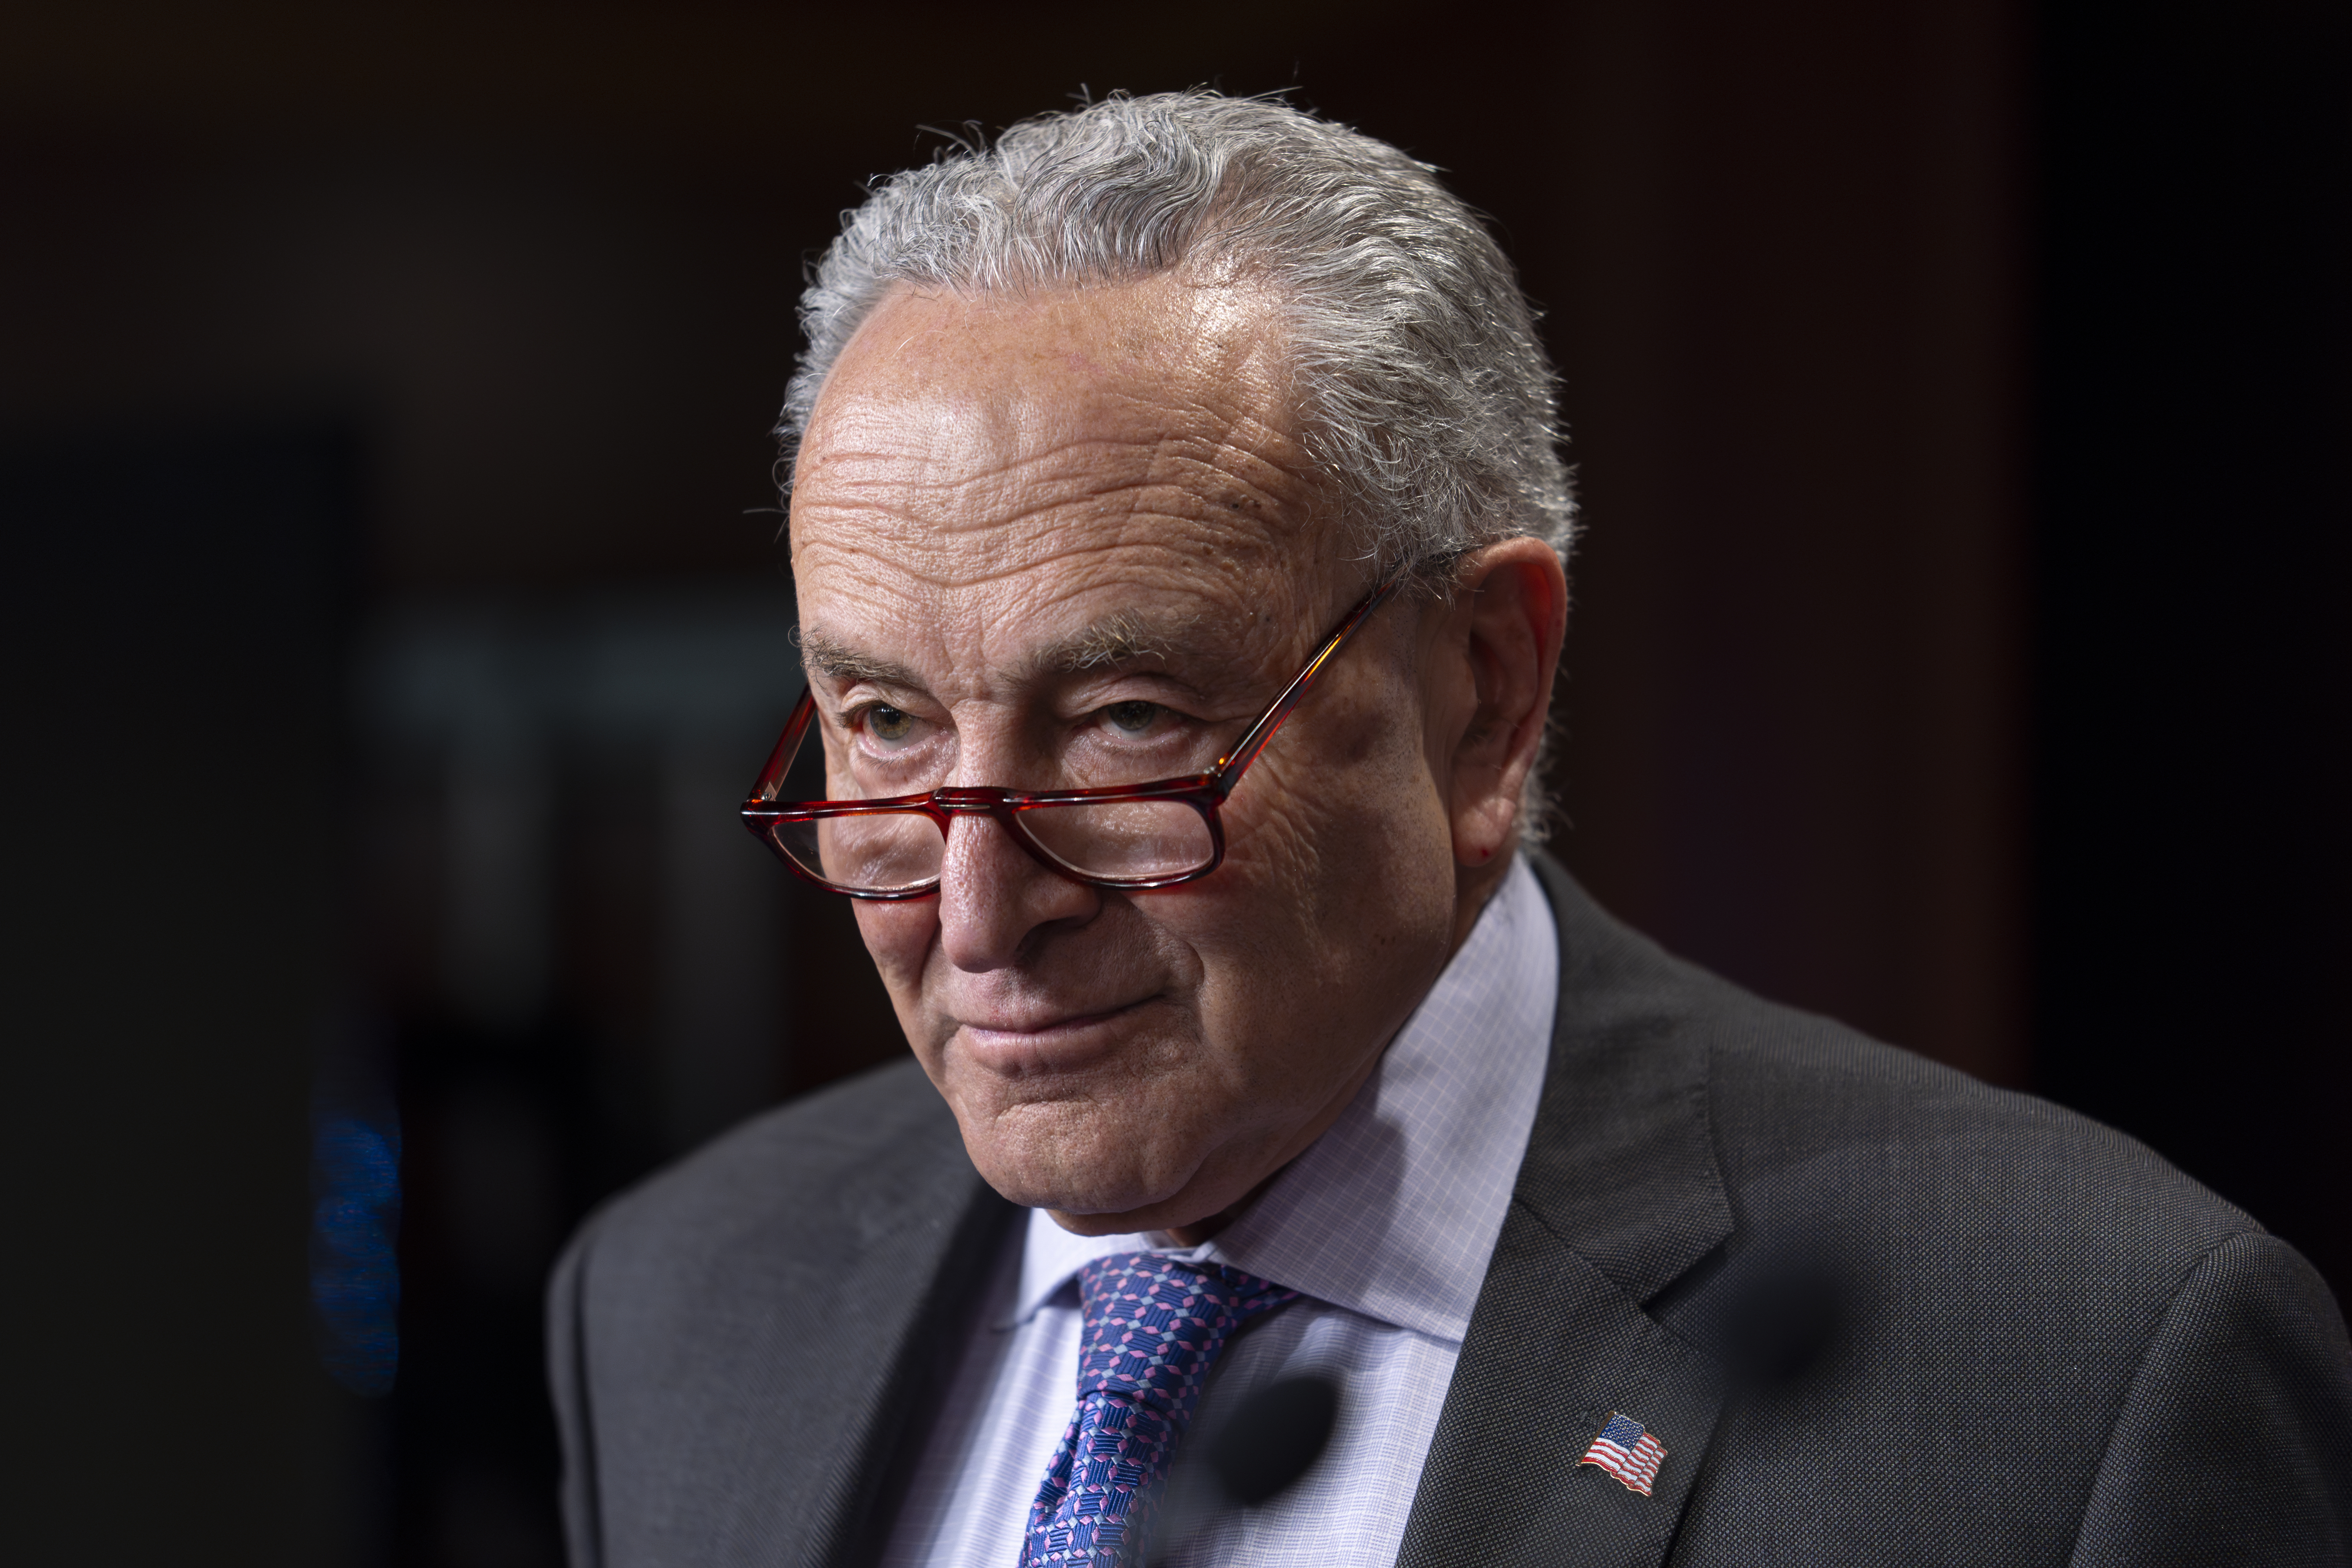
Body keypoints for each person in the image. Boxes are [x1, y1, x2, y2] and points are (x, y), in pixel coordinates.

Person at [546, 92, 2352, 1567]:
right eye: (885, 724)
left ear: (1483, 687)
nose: (980, 907)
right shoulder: (676, 1307)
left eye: (1124, 726)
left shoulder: (2080, 1370)